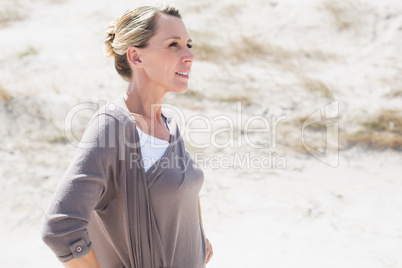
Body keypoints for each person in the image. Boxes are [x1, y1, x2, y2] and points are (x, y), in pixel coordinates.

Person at [42, 5, 213, 268]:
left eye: (188, 44)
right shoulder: (112, 127)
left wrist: (198, 238)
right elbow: (61, 228)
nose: (189, 55)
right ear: (135, 56)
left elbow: (183, 189)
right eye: (173, 45)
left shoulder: (169, 126)